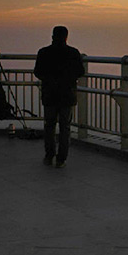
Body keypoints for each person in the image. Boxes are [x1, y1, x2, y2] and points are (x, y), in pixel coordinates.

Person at [34, 26, 85, 168]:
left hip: (49, 94)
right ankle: (61, 158)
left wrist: (50, 79)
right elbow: (81, 71)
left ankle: (49, 155)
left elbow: (37, 72)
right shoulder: (73, 53)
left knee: (49, 126)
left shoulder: (43, 52)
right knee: (65, 127)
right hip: (67, 95)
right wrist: (67, 78)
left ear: (52, 36)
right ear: (66, 37)